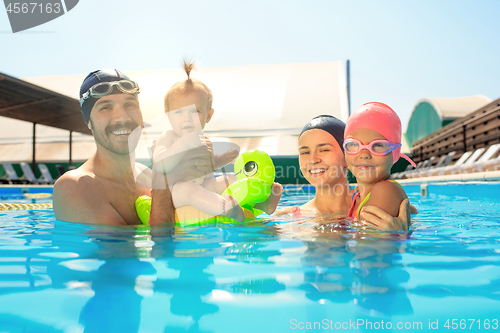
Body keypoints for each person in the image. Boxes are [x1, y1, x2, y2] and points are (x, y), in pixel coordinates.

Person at [53, 69, 211, 225]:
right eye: (105, 107)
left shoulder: (148, 176)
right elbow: (127, 250)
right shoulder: (74, 186)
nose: (122, 117)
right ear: (89, 121)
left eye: (130, 105)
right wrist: (162, 177)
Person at [274, 115, 415, 231]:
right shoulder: (289, 216)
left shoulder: (374, 201)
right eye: (305, 152)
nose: (312, 160)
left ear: (347, 156)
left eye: (324, 149)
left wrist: (404, 234)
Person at [153, 60, 245, 221]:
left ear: (208, 115)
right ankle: (224, 208)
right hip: (176, 193)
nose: (187, 118)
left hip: (203, 187)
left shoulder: (203, 140)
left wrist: (223, 159)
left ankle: (261, 200)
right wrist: (182, 144)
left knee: (229, 179)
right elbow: (160, 163)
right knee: (188, 189)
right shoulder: (168, 137)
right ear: (168, 115)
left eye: (195, 111)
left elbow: (206, 166)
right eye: (179, 112)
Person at [344, 102, 416, 220]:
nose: (364, 155)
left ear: (395, 153)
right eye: (354, 144)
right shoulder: (355, 195)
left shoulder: (386, 190)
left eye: (378, 145)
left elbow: (368, 237)